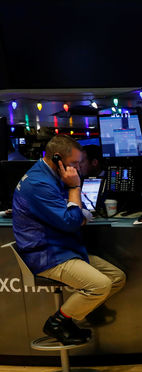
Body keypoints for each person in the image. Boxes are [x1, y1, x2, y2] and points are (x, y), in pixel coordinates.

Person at [12, 135, 126, 345]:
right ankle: (57, 323)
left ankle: (70, 317)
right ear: (57, 158)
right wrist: (75, 187)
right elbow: (72, 221)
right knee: (99, 285)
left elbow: (76, 215)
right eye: (73, 163)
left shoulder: (52, 175)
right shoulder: (39, 184)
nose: (77, 169)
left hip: (65, 248)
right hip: (47, 254)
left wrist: (76, 213)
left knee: (116, 278)